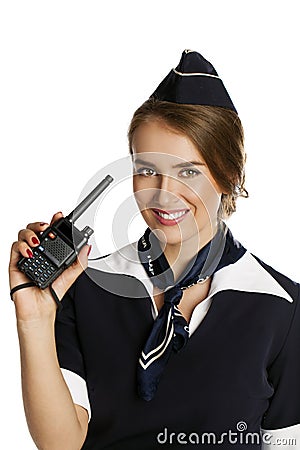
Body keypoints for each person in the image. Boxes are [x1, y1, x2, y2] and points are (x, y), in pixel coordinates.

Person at [9, 50, 300, 449]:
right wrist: (35, 319)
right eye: (147, 170)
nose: (164, 194)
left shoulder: (282, 306)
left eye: (189, 171)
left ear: (229, 174)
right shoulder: (87, 287)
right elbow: (61, 444)